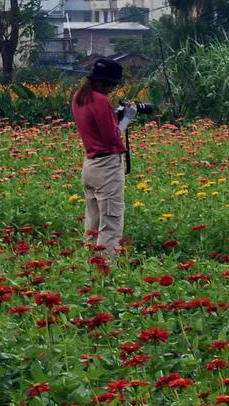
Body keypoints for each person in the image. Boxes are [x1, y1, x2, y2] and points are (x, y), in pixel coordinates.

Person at [72, 58, 137, 261]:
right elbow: (111, 138)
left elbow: (97, 127)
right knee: (110, 221)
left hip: (90, 164)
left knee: (93, 222)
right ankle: (106, 269)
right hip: (107, 167)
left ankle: (90, 266)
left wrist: (115, 115)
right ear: (105, 83)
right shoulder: (101, 101)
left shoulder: (79, 98)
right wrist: (127, 118)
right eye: (112, 85)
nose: (112, 89)